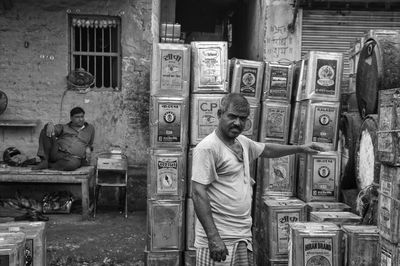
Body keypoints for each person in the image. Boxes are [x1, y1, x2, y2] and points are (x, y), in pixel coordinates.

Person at [191, 93, 323, 265]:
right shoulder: (208, 148)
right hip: (219, 240)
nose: (237, 123)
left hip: (241, 236)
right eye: (232, 116)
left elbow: (267, 150)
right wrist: (213, 237)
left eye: (243, 119)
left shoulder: (242, 142)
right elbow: (197, 192)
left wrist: (300, 148)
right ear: (219, 114)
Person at [32, 107, 95, 171]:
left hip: (73, 158)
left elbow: (90, 143)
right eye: (77, 117)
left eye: (82, 116)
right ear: (71, 118)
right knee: (46, 130)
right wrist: (49, 124)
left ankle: (49, 165)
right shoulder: (64, 127)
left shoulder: (90, 128)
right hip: (57, 152)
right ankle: (44, 160)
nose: (81, 119)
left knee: (71, 165)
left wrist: (88, 148)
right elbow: (53, 129)